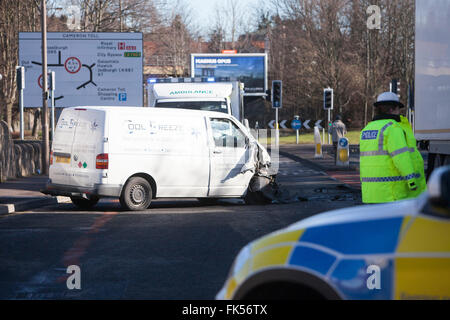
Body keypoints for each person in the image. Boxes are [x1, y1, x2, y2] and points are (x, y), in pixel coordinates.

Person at [359, 92, 426, 203]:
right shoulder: (392, 128)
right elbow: (401, 157)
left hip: (370, 193)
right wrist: (412, 181)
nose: (399, 112)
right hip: (391, 193)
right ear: (392, 109)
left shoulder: (367, 129)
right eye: (398, 109)